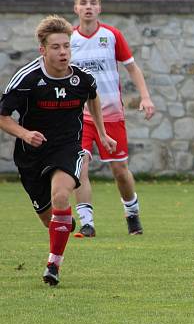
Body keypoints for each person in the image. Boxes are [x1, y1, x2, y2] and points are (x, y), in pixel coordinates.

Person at [0, 15, 116, 285]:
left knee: (62, 194)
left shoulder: (81, 79)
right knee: (48, 217)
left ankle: (53, 265)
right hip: (31, 155)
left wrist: (101, 132)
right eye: (56, 47)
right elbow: (3, 117)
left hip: (68, 147)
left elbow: (93, 98)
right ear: (43, 49)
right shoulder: (27, 79)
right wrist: (25, 133)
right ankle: (61, 225)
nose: (63, 52)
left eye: (67, 46)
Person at [70, 0, 155, 237]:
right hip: (78, 116)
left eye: (93, 3)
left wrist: (146, 97)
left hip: (111, 116)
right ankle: (87, 223)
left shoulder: (112, 35)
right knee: (80, 167)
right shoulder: (69, 39)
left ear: (99, 8)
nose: (88, 7)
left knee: (120, 171)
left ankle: (132, 213)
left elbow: (132, 68)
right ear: (76, 8)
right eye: (83, 3)